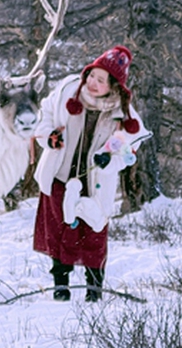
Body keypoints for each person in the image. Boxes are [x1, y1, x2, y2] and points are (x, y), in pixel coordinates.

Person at [32, 45, 150, 301]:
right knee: (60, 231)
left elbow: (129, 148)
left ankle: (94, 290)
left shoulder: (123, 112)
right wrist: (49, 137)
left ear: (114, 86)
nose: (93, 84)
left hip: (95, 184)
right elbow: (45, 115)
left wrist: (110, 160)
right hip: (60, 176)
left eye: (101, 80)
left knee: (94, 235)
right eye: (92, 76)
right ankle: (60, 287)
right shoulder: (67, 91)